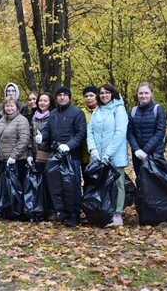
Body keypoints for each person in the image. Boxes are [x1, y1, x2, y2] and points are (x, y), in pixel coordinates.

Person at [35, 87, 86, 227]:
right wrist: (42, 136)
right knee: (57, 185)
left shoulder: (77, 113)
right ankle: (63, 211)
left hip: (71, 156)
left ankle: (75, 214)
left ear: (69, 97)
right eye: (59, 95)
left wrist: (69, 145)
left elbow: (81, 134)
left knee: (73, 186)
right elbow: (48, 130)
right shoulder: (53, 114)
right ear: (56, 98)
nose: (62, 97)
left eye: (65, 95)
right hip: (56, 155)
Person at [87, 84, 128, 227]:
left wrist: (108, 153)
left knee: (117, 184)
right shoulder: (97, 110)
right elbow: (90, 131)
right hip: (98, 156)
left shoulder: (119, 109)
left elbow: (120, 133)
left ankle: (117, 213)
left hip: (115, 155)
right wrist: (93, 149)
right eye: (102, 93)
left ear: (113, 94)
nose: (104, 95)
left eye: (107, 92)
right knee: (101, 184)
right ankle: (103, 212)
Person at [127, 82, 167, 176]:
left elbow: (160, 132)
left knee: (155, 184)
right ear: (137, 94)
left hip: (155, 154)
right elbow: (130, 132)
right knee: (141, 181)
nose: (143, 95)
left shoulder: (158, 109)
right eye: (141, 93)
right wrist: (137, 150)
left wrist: (145, 151)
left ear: (151, 94)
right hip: (137, 155)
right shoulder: (133, 111)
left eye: (146, 93)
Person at [0, 96, 31, 189]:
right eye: (7, 106)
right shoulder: (2, 120)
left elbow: (24, 140)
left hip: (17, 161)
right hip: (2, 160)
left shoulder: (22, 120)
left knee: (16, 189)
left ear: (17, 107)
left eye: (12, 106)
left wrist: (13, 156)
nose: (9, 108)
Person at [31, 92, 56, 220]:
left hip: (50, 154)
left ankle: (52, 209)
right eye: (40, 100)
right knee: (39, 184)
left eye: (45, 101)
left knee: (50, 183)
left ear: (50, 102)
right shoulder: (34, 117)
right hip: (37, 155)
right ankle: (42, 209)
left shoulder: (53, 116)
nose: (42, 103)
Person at [81, 86, 98, 173]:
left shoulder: (102, 111)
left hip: (100, 152)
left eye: (91, 95)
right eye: (86, 96)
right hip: (84, 153)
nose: (88, 98)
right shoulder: (80, 112)